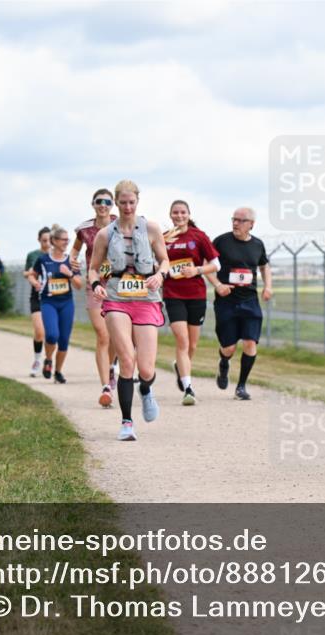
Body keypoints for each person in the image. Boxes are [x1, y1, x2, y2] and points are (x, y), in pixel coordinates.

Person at [87, 179, 170, 441]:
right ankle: (126, 423)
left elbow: (165, 260)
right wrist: (95, 284)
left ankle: (145, 389)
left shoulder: (152, 229)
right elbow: (93, 267)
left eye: (131, 202)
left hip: (146, 298)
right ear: (115, 203)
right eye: (121, 202)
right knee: (126, 360)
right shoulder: (105, 234)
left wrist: (160, 275)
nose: (126, 207)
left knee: (145, 369)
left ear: (137, 202)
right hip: (116, 298)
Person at [208, 207, 272, 401]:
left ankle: (241, 386)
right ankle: (224, 362)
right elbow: (207, 264)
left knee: (250, 342)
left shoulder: (258, 245)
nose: (235, 223)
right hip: (226, 300)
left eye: (241, 220)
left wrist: (268, 286)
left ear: (251, 224)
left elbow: (264, 265)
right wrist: (218, 285)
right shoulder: (221, 241)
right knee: (229, 348)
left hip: (250, 300)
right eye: (233, 219)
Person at [162, 200, 219, 405]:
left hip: (196, 295)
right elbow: (157, 262)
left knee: (192, 345)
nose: (179, 216)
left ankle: (181, 367)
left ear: (188, 214)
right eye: (175, 212)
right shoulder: (164, 238)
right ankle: (188, 388)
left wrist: (197, 270)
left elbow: (215, 265)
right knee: (182, 341)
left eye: (183, 212)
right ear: (170, 215)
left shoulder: (198, 236)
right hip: (172, 294)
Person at [73, 189, 119, 407]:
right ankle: (105, 387)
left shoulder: (121, 224)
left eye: (107, 202)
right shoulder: (84, 229)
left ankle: (111, 366)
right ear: (93, 204)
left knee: (113, 335)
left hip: (118, 285)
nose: (103, 205)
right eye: (99, 201)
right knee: (102, 335)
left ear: (113, 204)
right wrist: (73, 265)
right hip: (95, 285)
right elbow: (74, 252)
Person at [32, 225, 82, 384]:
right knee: (52, 335)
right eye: (63, 240)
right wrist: (35, 283)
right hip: (49, 302)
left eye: (68, 240)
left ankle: (58, 371)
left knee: (64, 340)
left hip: (66, 303)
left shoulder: (71, 260)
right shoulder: (43, 259)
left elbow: (79, 285)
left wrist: (70, 274)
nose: (66, 243)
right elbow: (32, 276)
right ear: (53, 241)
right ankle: (48, 359)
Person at [24, 227, 51, 376]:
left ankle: (48, 361)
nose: (47, 243)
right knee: (39, 332)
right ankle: (37, 359)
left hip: (53, 297)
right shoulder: (33, 255)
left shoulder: (56, 255)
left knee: (52, 333)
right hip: (37, 297)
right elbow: (27, 272)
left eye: (49, 240)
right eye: (44, 240)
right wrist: (33, 279)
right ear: (39, 240)